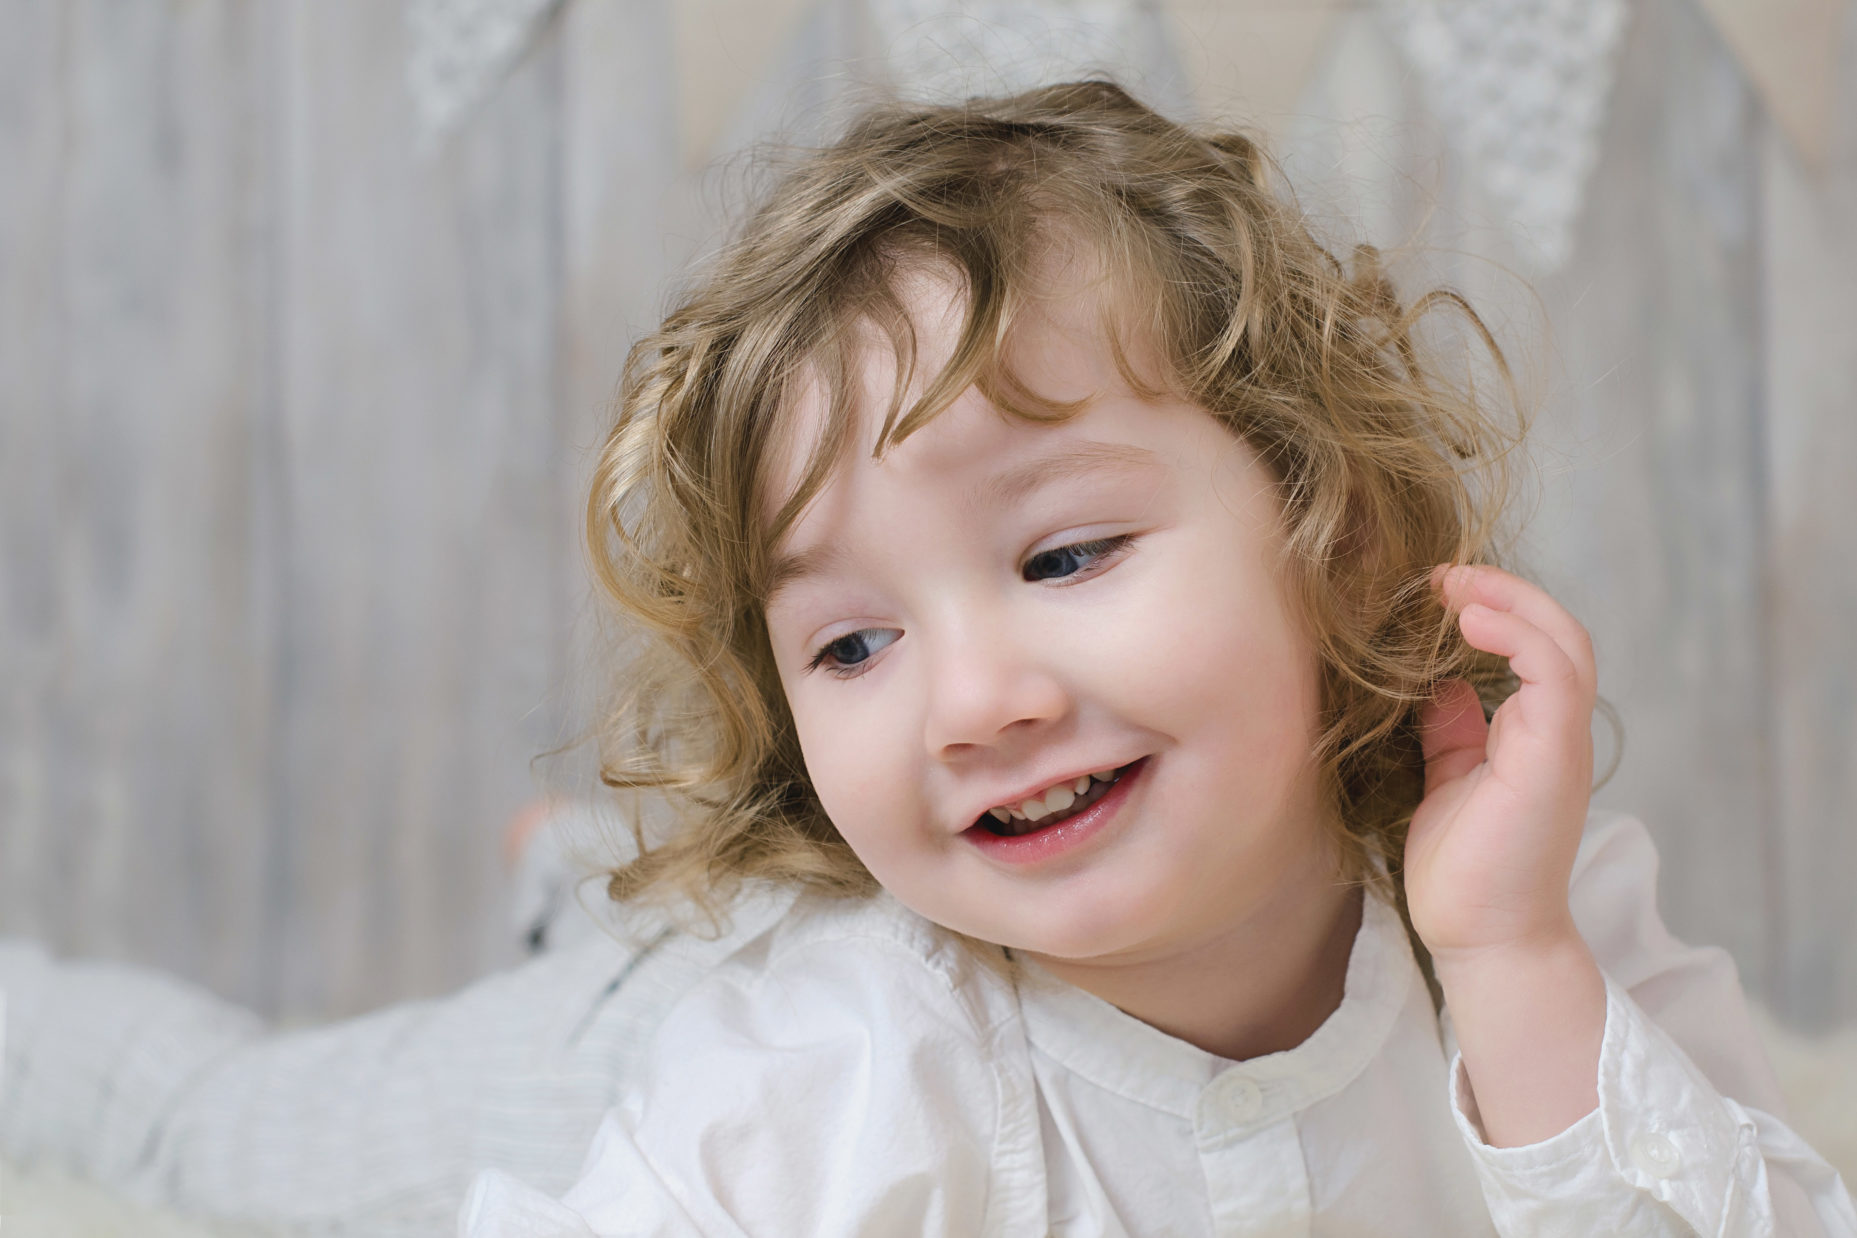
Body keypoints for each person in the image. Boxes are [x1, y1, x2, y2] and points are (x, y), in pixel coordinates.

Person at [2, 80, 1851, 1237]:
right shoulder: (823, 1082)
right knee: (214, 1127)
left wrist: (1512, 956)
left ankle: (569, 883)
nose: (973, 702)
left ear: (1332, 532)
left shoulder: (1525, 908)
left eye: (1062, 552)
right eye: (853, 640)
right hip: (632, 1044)